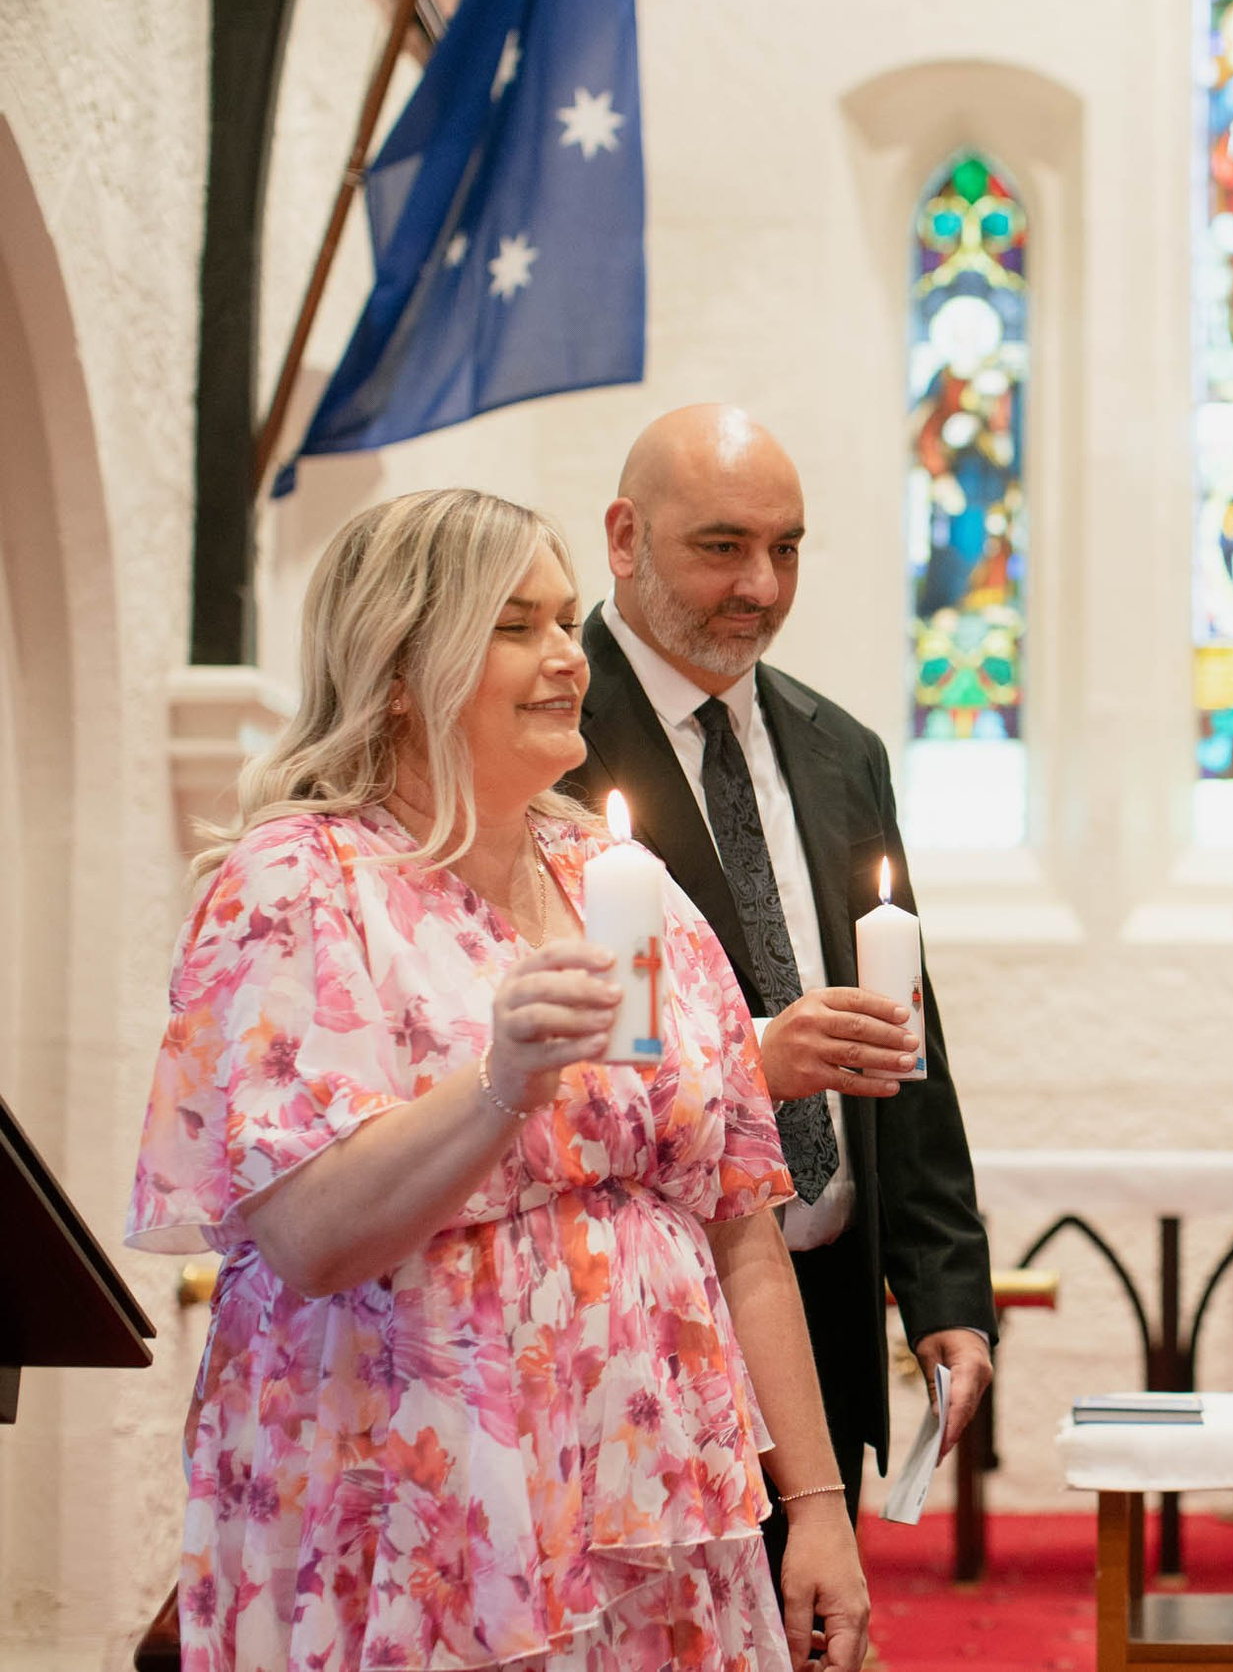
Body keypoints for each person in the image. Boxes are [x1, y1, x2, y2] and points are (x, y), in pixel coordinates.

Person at [127, 488, 870, 1670]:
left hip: (649, 1490)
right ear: (404, 664)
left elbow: (739, 1223)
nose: (570, 655)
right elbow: (310, 1238)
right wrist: (499, 1083)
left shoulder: (617, 877)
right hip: (411, 1492)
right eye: (518, 624)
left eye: (569, 620)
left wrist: (819, 1504)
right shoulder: (298, 885)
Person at [564, 406, 997, 1574]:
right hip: (647, 1297)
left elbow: (904, 1034)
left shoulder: (836, 746)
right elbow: (549, 1028)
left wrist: (946, 1284)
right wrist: (758, 1047)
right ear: (623, 535)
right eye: (721, 546)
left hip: (827, 1286)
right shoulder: (547, 732)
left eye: (788, 547)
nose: (760, 583)